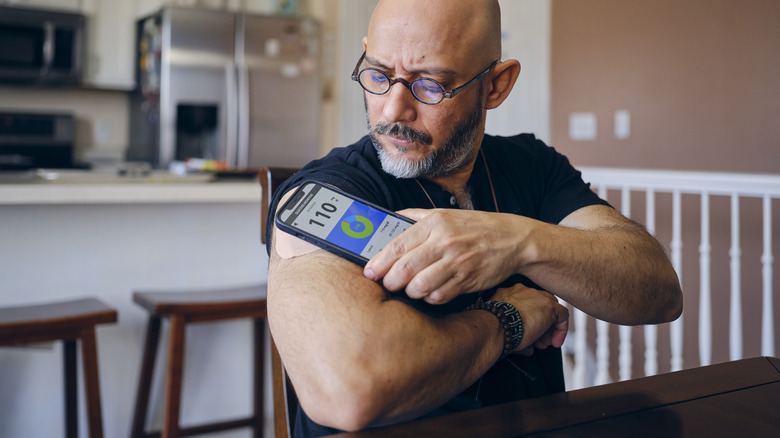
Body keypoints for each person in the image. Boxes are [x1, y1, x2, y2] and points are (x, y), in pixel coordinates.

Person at [265, 0, 683, 436]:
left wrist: (518, 241)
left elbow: (659, 292)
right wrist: (507, 321)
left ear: (496, 86)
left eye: (429, 85)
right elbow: (348, 390)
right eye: (378, 75)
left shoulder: (532, 166)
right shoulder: (328, 191)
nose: (392, 111)